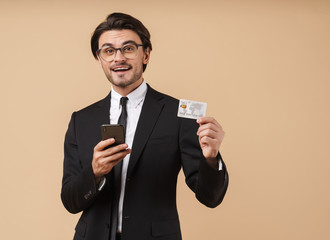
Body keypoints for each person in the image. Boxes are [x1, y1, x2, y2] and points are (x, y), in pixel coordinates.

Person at [61, 12, 229, 240]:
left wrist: (211, 158)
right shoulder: (81, 120)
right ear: (99, 58)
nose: (118, 58)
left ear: (146, 54)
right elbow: (70, 201)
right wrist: (95, 173)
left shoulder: (179, 115)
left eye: (128, 48)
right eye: (108, 51)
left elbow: (210, 198)